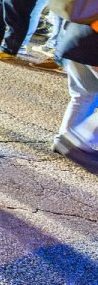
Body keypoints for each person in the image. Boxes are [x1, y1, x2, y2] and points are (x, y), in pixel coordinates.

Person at [54, 15, 98, 173]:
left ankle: (66, 139)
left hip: (75, 37)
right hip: (93, 44)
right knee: (84, 95)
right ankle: (74, 141)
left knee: (84, 95)